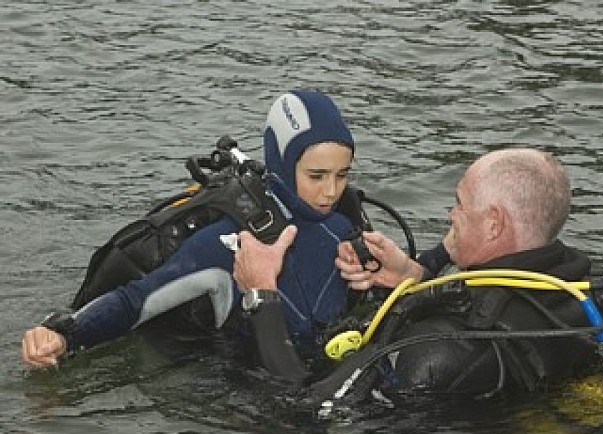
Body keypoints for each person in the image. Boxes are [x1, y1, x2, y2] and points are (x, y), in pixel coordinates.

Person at [22, 89, 365, 370]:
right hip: (261, 413)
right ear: (282, 165)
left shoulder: (342, 228)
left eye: (342, 174)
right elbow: (134, 302)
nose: (331, 191)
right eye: (316, 176)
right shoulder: (226, 244)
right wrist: (63, 336)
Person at [231, 147, 603, 400]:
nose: (451, 214)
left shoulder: (438, 354)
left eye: (460, 204)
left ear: (494, 225)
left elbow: (305, 407)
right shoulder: (575, 294)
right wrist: (414, 277)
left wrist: (261, 292)